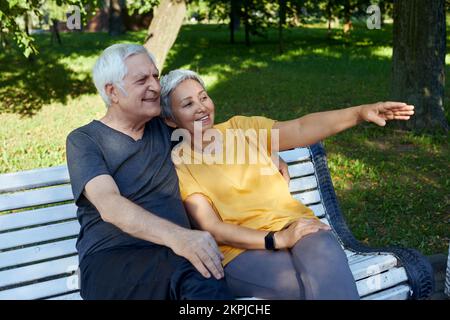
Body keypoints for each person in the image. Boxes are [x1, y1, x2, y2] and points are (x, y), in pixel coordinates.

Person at [160, 69, 415, 300]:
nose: (201, 107)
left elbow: (301, 127)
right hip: (241, 252)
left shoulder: (242, 129)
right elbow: (213, 228)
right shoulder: (181, 162)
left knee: (325, 274)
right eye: (187, 104)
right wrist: (277, 239)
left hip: (298, 227)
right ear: (171, 120)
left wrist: (359, 113)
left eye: (203, 97)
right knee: (306, 289)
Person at [65, 44, 233, 300]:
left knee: (203, 274)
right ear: (113, 92)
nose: (155, 86)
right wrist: (180, 238)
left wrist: (262, 155)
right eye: (142, 80)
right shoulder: (86, 140)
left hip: (173, 258)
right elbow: (110, 205)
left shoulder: (164, 129)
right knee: (200, 273)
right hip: (112, 261)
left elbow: (210, 135)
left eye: (155, 76)